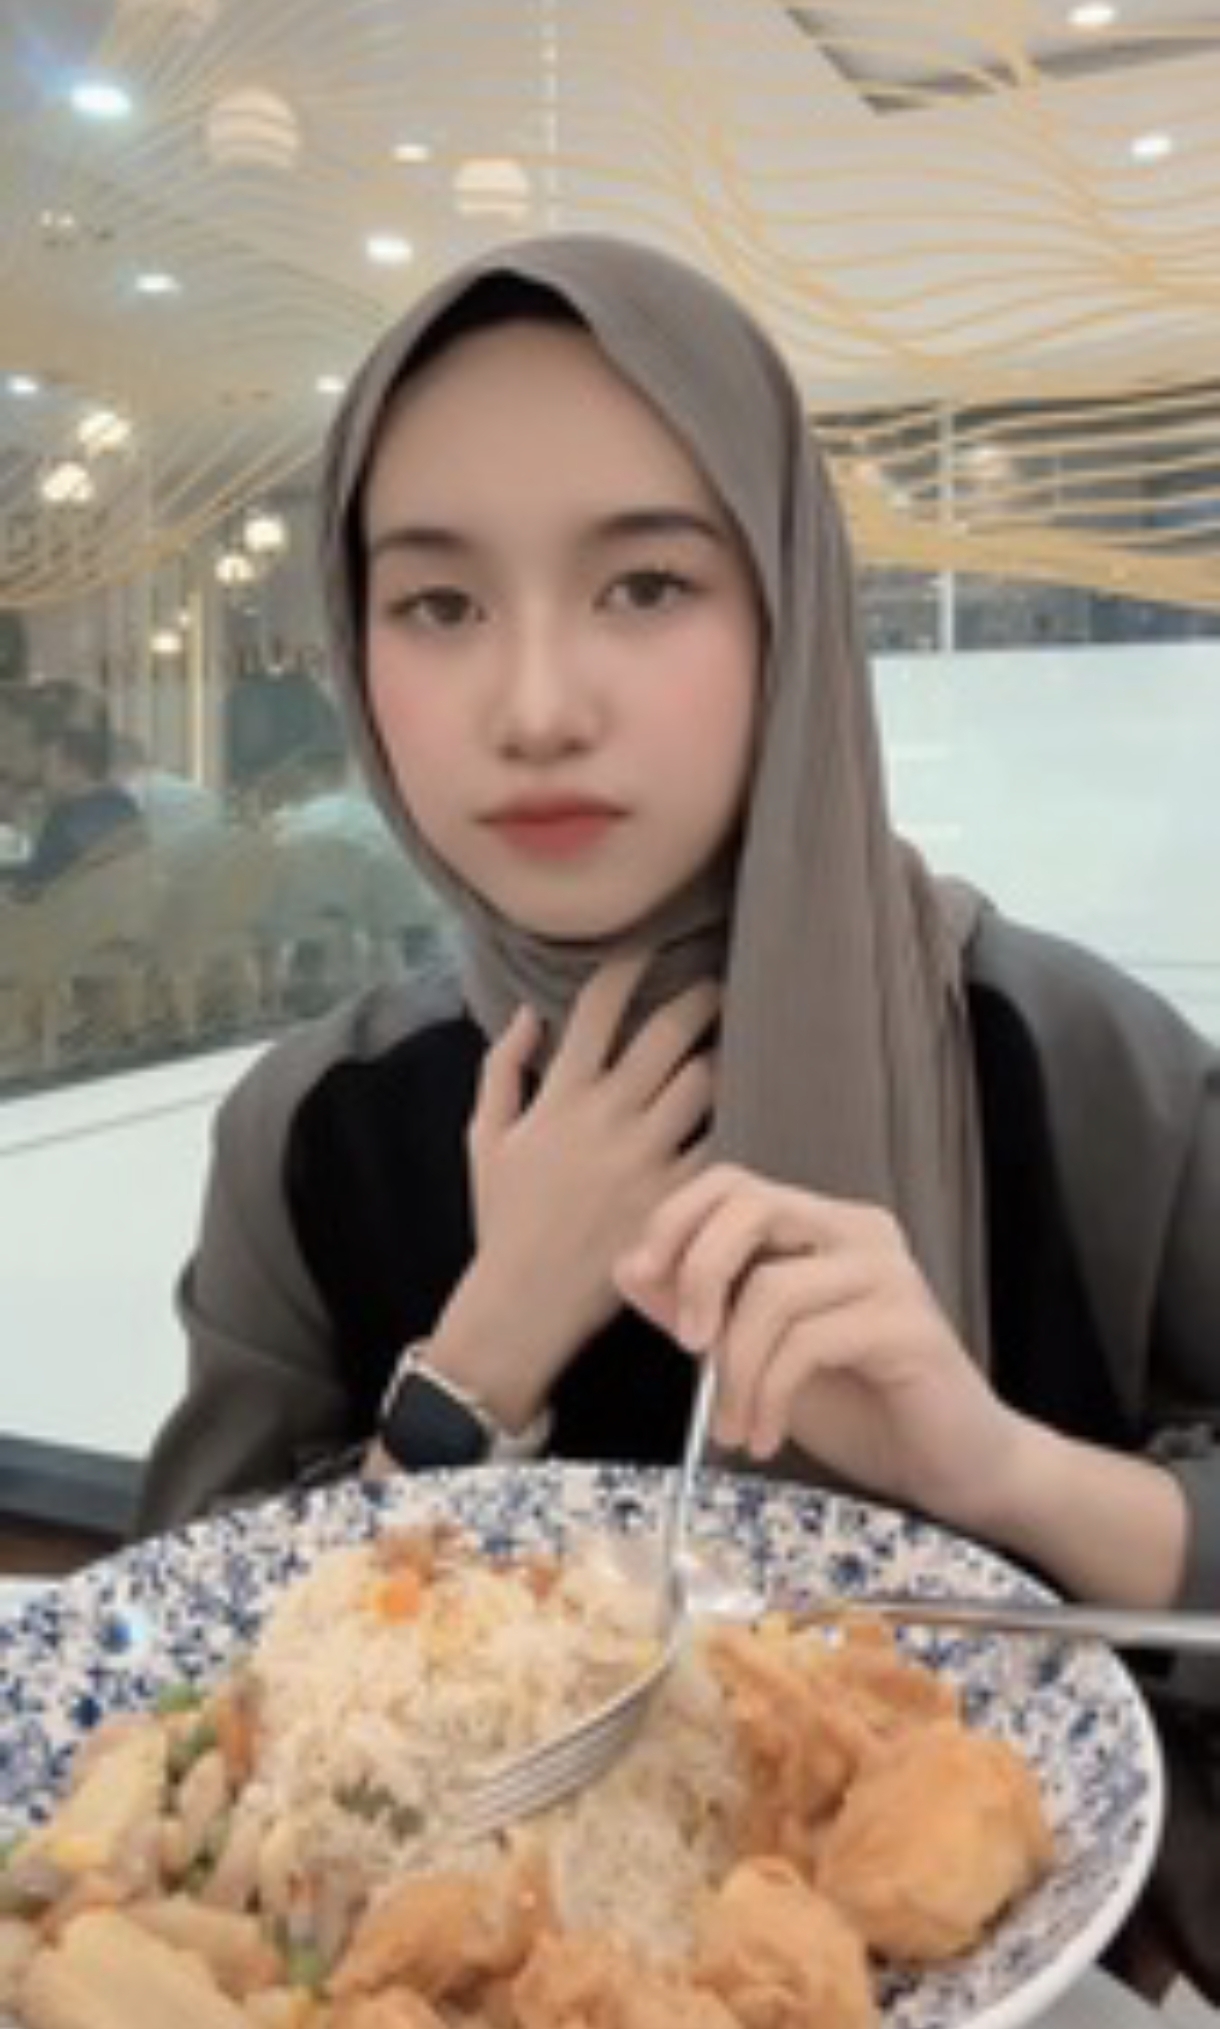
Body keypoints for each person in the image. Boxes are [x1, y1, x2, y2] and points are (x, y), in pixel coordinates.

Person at [137, 235, 1219, 1980]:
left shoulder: (1064, 1057)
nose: (537, 707)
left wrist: (995, 1464)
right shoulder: (319, 1127)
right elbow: (161, 1718)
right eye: (439, 605)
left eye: (645, 585)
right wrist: (475, 1369)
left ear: (786, 603)